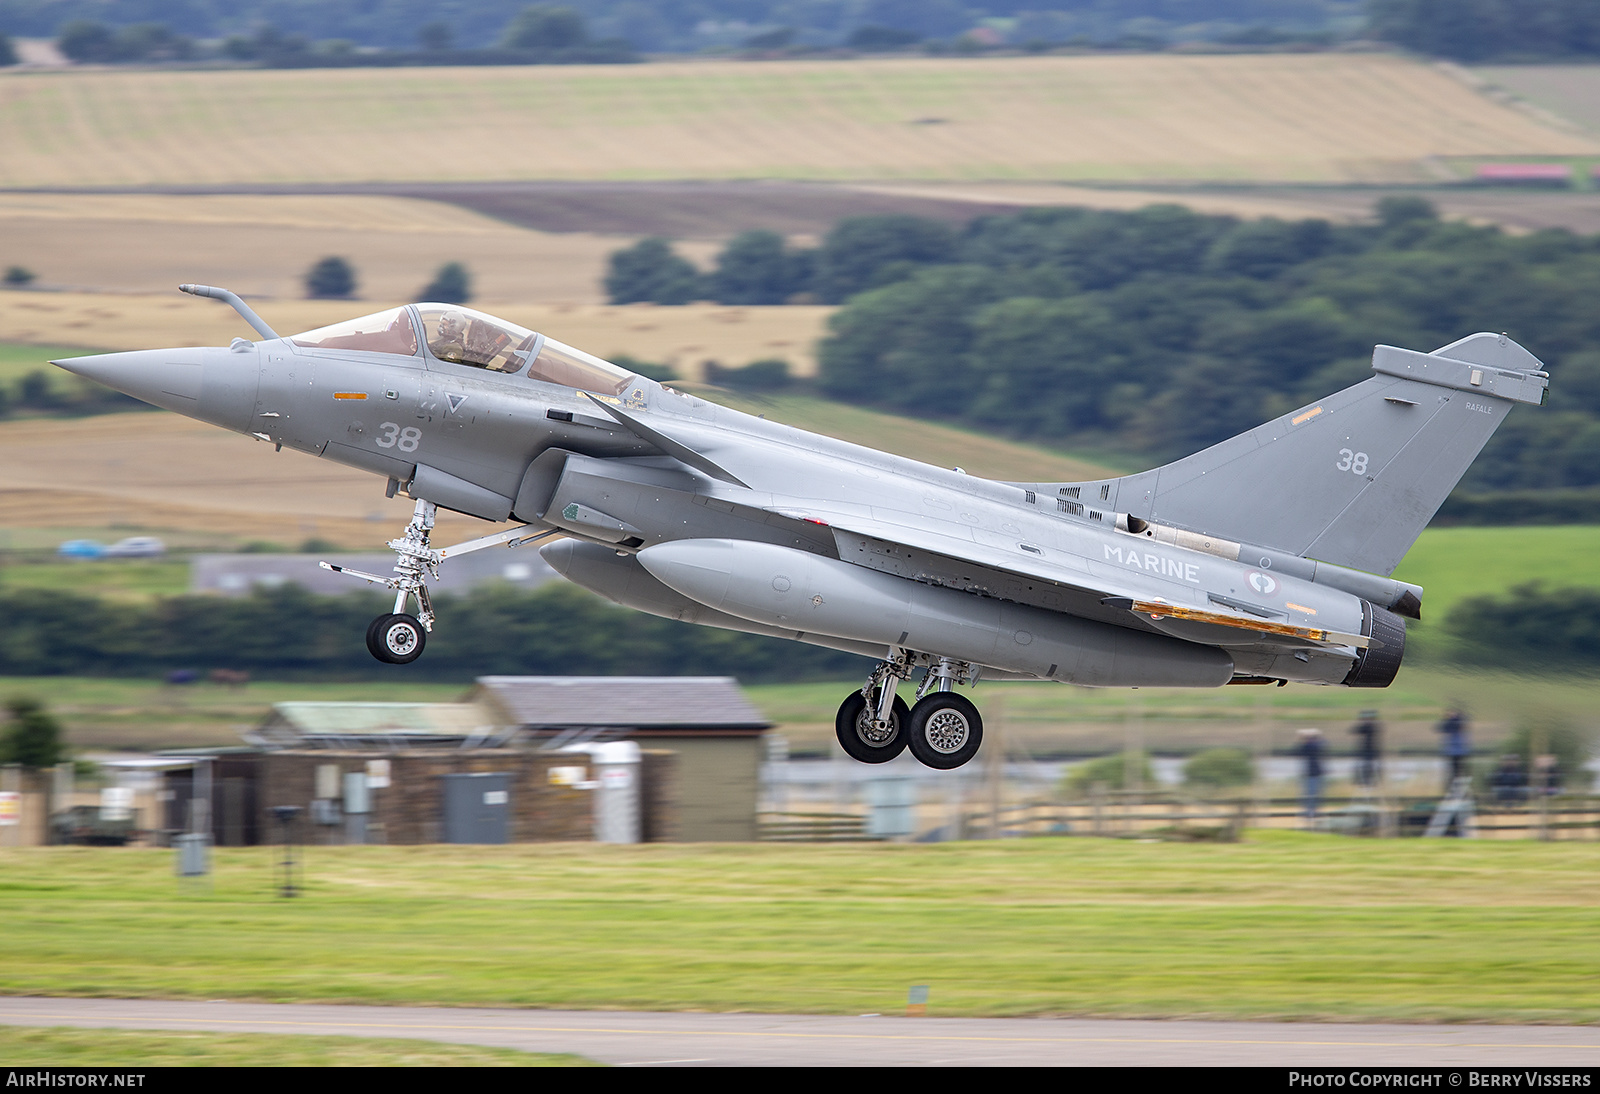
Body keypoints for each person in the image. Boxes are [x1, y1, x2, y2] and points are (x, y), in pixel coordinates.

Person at [1436, 708, 1469, 790]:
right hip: (1452, 750)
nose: (1451, 715)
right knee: (1453, 770)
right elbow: (1440, 728)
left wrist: (1454, 717)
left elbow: (1458, 725)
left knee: (1457, 770)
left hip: (1458, 750)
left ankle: (1457, 786)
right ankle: (1453, 786)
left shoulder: (1457, 722)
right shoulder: (1449, 723)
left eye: (1452, 713)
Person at [1297, 727, 1325, 823]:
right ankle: (1310, 811)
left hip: (1313, 773)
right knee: (1310, 793)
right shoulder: (1311, 746)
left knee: (1312, 793)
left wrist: (1304, 737)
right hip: (1310, 773)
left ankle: (1311, 812)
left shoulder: (1314, 746)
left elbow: (1310, 747)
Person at [1351, 709, 1381, 789]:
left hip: (1370, 750)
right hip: (1365, 750)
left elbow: (1360, 730)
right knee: (1364, 766)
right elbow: (1355, 730)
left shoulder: (1371, 726)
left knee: (1369, 766)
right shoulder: (1369, 726)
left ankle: (1368, 782)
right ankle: (1363, 781)